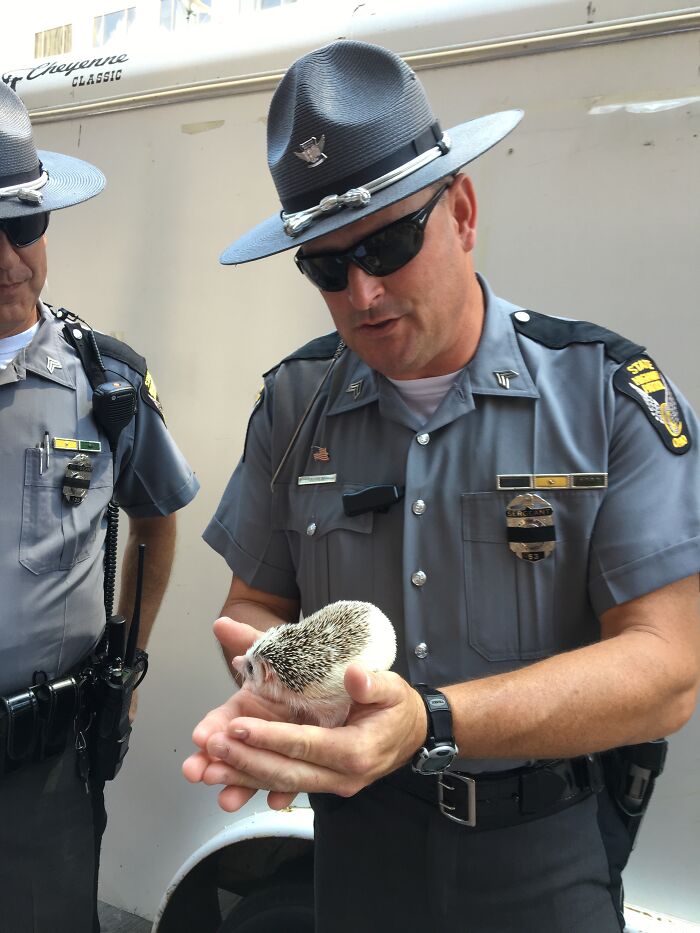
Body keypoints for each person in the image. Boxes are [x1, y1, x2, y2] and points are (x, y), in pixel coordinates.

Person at [183, 40, 700, 932]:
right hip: (357, 842)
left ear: (460, 210)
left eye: (389, 240)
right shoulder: (293, 404)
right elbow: (256, 603)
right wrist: (277, 688)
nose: (364, 289)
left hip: (540, 852)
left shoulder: (604, 392)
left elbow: (666, 669)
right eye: (325, 266)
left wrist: (430, 719)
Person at [0, 81, 199, 933]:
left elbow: (155, 525)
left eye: (23, 226)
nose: (9, 257)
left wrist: (130, 656)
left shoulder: (106, 381)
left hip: (43, 763)